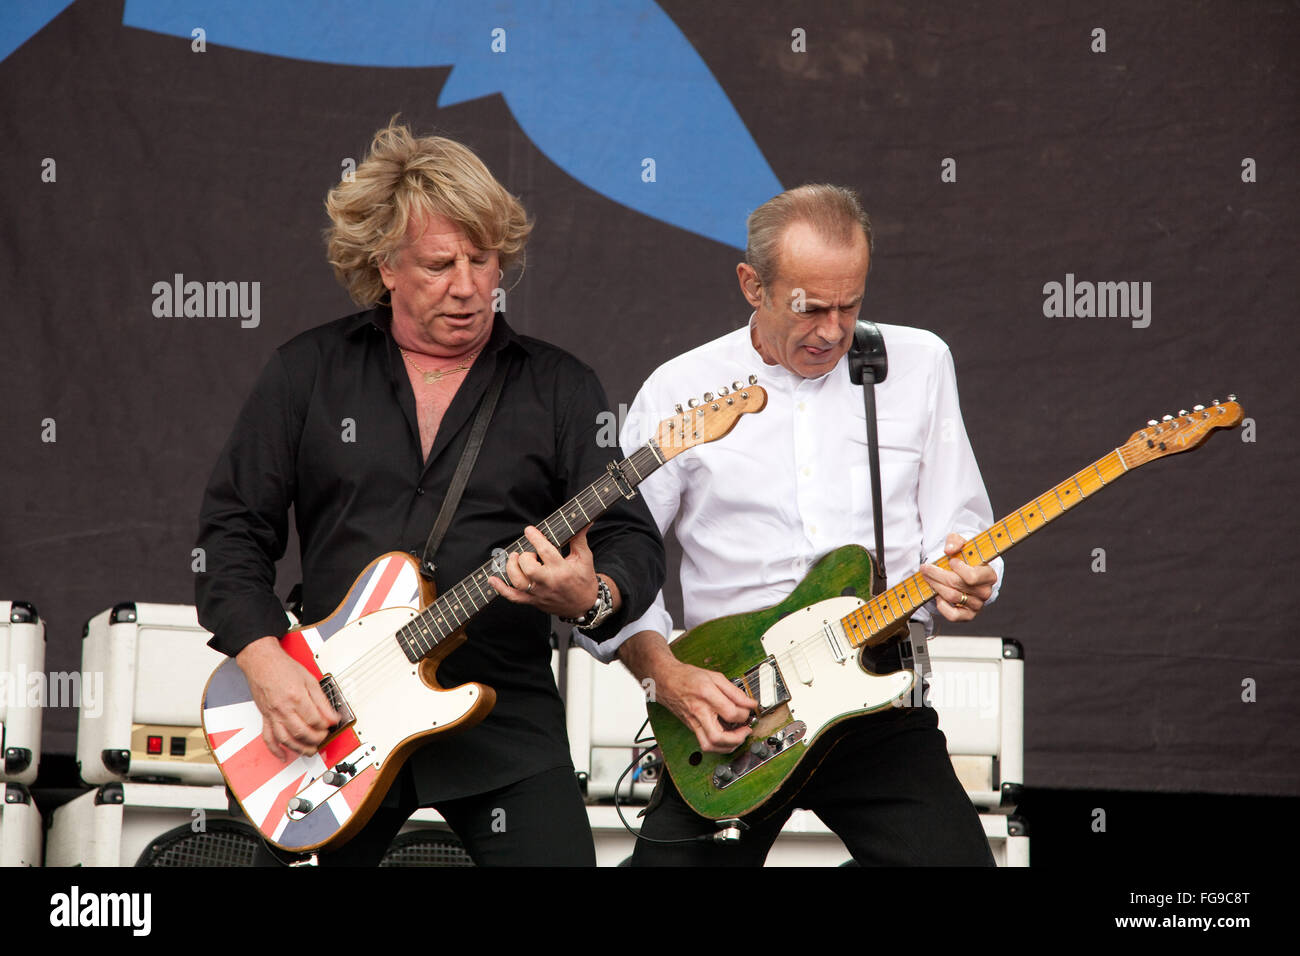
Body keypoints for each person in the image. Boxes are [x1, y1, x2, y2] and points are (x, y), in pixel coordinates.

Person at [195, 121, 664, 866]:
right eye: (441, 264)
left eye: (484, 260)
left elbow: (631, 539)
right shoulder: (307, 371)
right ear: (384, 266)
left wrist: (593, 596)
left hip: (501, 709)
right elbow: (230, 533)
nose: (471, 286)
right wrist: (264, 660)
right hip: (326, 712)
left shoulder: (558, 386)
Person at [589, 184, 1003, 865]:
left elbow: (959, 529)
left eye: (852, 305)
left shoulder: (920, 363)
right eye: (810, 307)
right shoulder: (680, 389)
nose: (834, 331)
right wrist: (666, 676)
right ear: (752, 285)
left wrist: (972, 575)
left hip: (878, 705)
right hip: (735, 711)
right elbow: (616, 564)